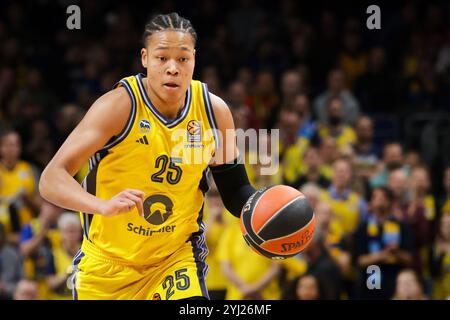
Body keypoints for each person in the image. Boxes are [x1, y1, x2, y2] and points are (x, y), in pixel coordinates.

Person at [39, 13, 257, 300]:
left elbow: (235, 190)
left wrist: (268, 211)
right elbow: (51, 179)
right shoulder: (118, 106)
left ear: (194, 59)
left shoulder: (214, 111)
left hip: (174, 260)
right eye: (162, 58)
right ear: (145, 58)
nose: (172, 68)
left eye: (183, 59)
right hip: (107, 267)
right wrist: (102, 206)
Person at [353, 187, 414, 299]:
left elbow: (409, 258)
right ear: (371, 202)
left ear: (390, 202)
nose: (380, 201)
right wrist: (382, 255)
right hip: (370, 285)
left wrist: (396, 252)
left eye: (383, 198)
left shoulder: (401, 226)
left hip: (395, 283)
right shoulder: (363, 227)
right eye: (376, 198)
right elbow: (359, 260)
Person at [0, 129, 41, 245]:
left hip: (28, 231)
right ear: (1, 148)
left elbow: (40, 206)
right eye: (9, 144)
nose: (13, 148)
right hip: (4, 234)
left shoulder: (30, 169)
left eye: (16, 144)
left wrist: (27, 199)